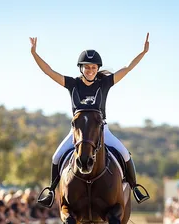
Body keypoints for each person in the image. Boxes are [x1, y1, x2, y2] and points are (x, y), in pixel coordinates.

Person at [29, 35, 151, 208]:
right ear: (81, 68)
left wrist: (143, 52)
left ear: (97, 68)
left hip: (101, 130)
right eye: (87, 67)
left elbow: (127, 68)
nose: (90, 70)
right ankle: (51, 190)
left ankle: (134, 187)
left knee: (124, 154)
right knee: (56, 157)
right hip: (77, 131)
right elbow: (49, 71)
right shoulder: (72, 84)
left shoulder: (105, 83)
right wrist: (34, 53)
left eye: (93, 67)